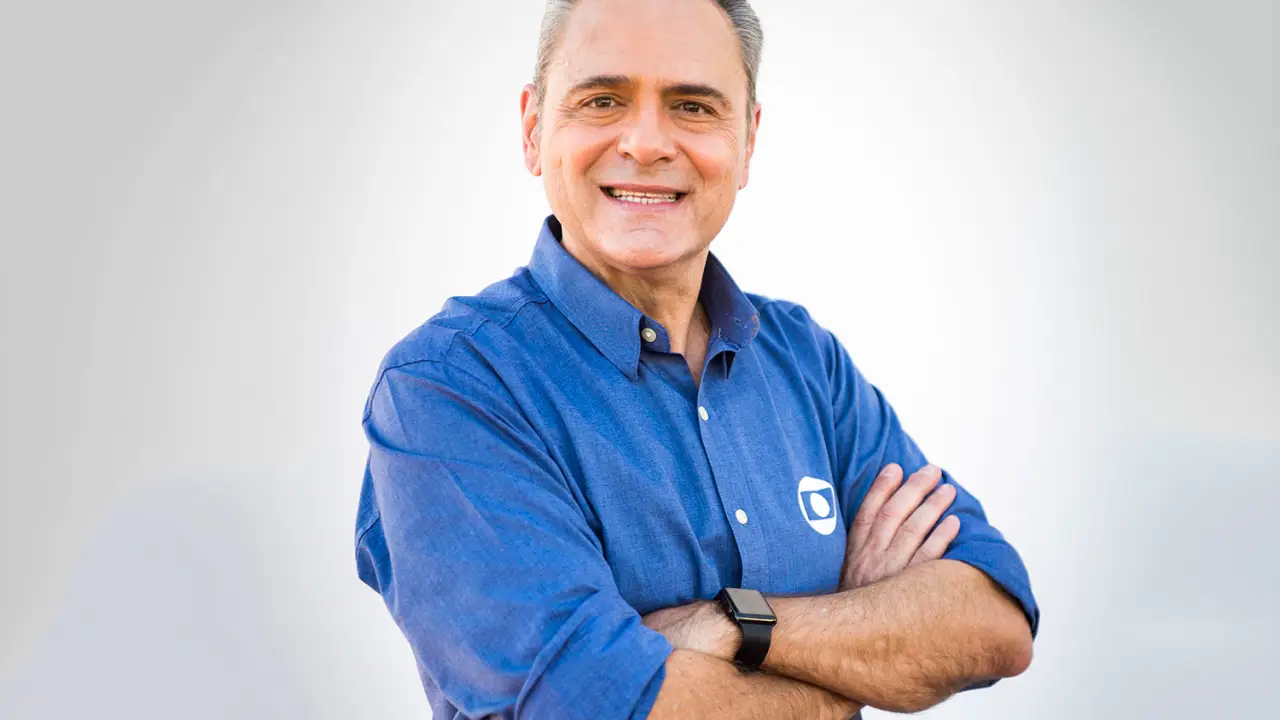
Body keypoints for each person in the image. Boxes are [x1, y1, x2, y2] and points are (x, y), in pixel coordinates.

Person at [354, 0, 1039, 717]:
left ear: (748, 142)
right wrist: (859, 648)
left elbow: (995, 621)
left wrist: (733, 624)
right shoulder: (450, 387)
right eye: (602, 100)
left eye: (693, 106)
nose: (647, 143)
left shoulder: (806, 362)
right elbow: (589, 704)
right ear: (533, 130)